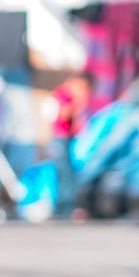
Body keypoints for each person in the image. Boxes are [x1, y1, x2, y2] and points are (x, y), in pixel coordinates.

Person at [50, 71, 93, 220]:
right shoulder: (63, 96)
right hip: (60, 138)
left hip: (68, 138)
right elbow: (63, 114)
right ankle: (65, 206)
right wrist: (77, 103)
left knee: (69, 172)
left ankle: (67, 206)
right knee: (64, 172)